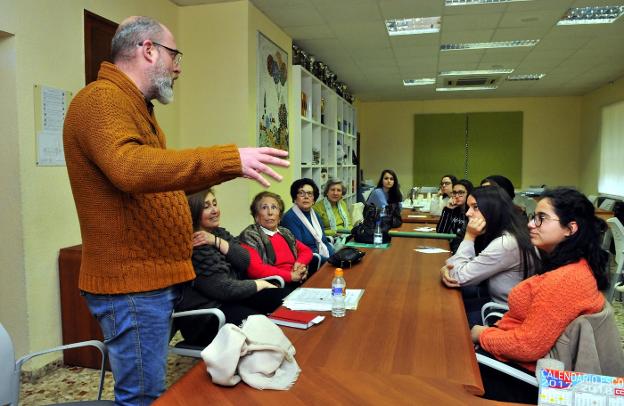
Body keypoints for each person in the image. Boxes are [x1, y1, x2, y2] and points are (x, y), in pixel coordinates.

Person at [63, 16, 289, 405]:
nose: (178, 66)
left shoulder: (135, 107)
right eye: (174, 54)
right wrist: (225, 159)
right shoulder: (100, 100)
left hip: (151, 280)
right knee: (143, 396)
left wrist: (230, 169)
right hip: (131, 285)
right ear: (147, 50)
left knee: (151, 389)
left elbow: (156, 182)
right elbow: (130, 169)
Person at [471, 187, 608, 403]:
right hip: (509, 352)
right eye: (534, 217)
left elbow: (527, 346)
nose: (530, 224)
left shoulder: (566, 280)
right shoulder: (568, 264)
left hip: (518, 373)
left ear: (570, 229)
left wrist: (480, 335)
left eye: (541, 218)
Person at [175, 189, 288, 346]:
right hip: (207, 317)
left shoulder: (219, 233)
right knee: (262, 327)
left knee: (283, 298)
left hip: (229, 300)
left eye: (215, 203)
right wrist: (260, 284)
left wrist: (216, 241)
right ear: (194, 212)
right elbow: (224, 289)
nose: (215, 210)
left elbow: (244, 260)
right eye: (206, 206)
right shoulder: (195, 245)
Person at [440, 186, 538, 326]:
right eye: (468, 207)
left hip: (503, 315)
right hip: (498, 304)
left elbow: (457, 277)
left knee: (444, 316)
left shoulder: (506, 243)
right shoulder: (511, 232)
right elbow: (459, 269)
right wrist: (447, 269)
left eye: (475, 207)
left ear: (493, 209)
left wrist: (469, 236)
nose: (468, 213)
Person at [239, 191, 315, 287]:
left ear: (279, 215)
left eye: (274, 207)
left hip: (296, 277)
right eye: (264, 208)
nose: (270, 212)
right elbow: (255, 269)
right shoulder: (249, 236)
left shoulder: (285, 232)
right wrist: (290, 276)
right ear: (256, 216)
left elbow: (306, 251)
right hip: (274, 285)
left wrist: (300, 264)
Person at [281, 178, 335, 261]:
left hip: (324, 256)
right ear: (295, 198)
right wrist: (331, 261)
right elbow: (299, 251)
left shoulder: (315, 214)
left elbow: (324, 241)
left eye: (310, 194)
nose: (306, 197)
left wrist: (335, 257)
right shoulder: (290, 218)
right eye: (301, 193)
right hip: (311, 261)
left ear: (313, 200)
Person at [436, 179, 474, 253]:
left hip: (464, 252)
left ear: (469, 194)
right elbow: (441, 234)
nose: (456, 196)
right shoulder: (452, 209)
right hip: (451, 249)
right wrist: (448, 210)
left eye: (461, 193)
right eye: (454, 193)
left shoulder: (472, 213)